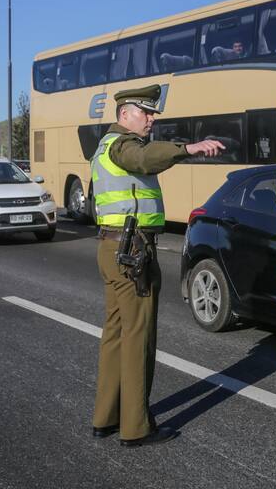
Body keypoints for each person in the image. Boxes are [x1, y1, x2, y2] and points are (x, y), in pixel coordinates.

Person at [90, 84, 224, 447]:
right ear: (124, 114)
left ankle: (106, 417)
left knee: (116, 334)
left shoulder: (107, 146)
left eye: (152, 113)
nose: (151, 119)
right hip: (132, 251)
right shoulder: (123, 146)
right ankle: (135, 427)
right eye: (145, 112)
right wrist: (189, 148)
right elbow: (145, 159)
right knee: (139, 336)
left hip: (114, 247)